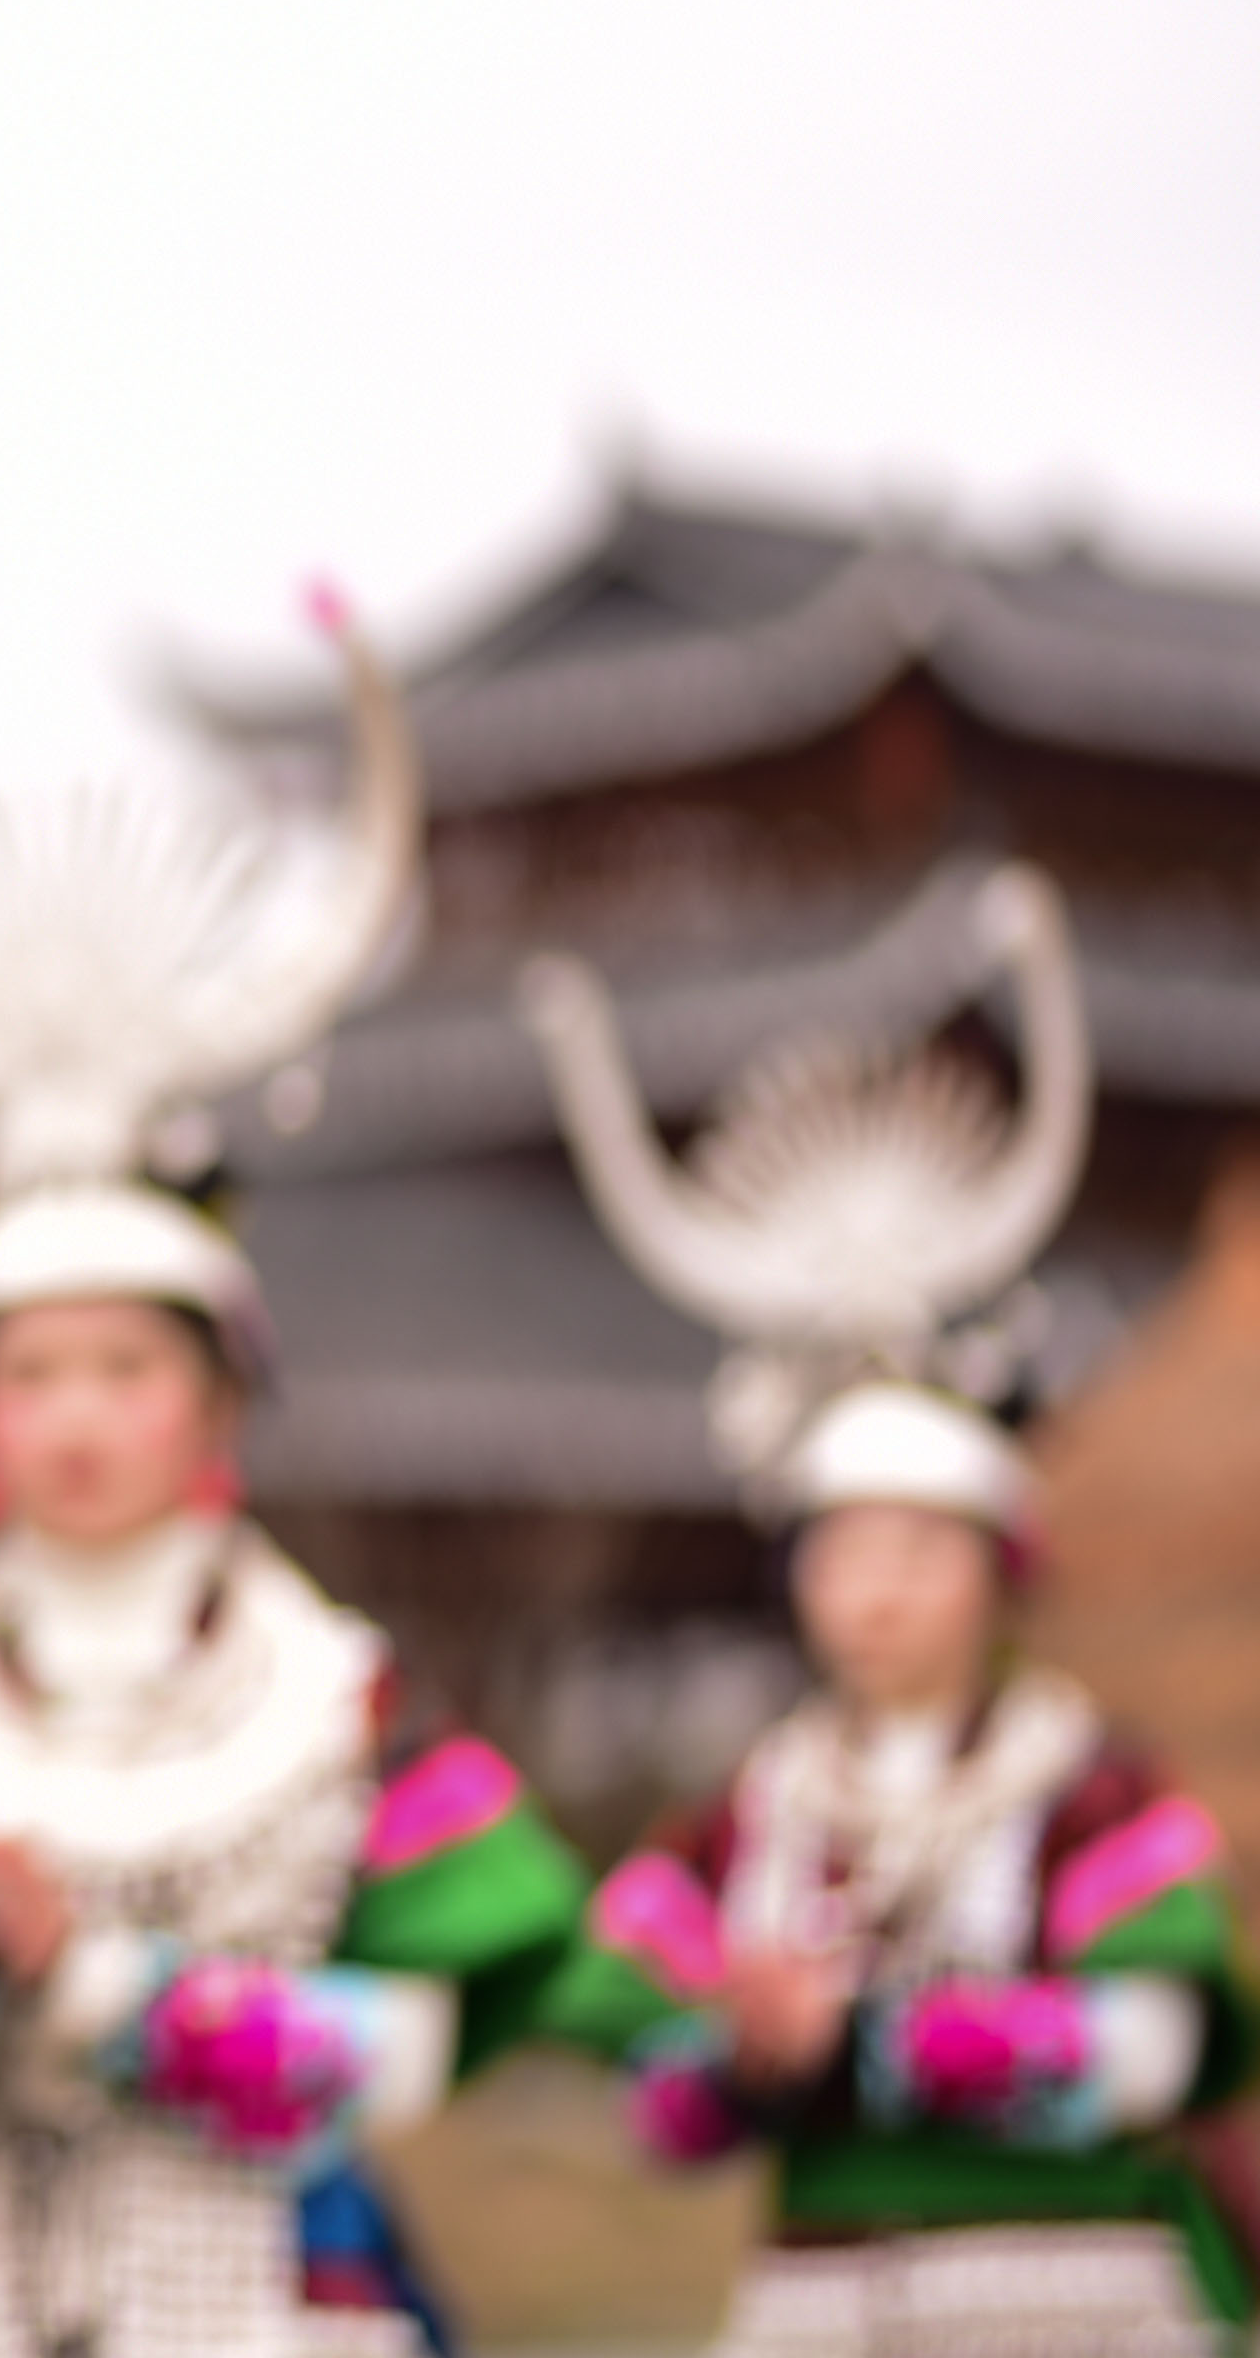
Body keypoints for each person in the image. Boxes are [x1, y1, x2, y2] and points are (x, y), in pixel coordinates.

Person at [0, 615, 587, 2358]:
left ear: (220, 1391)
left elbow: (414, 2055)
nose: (74, 1416)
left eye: (124, 1367)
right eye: (28, 1371)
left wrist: (87, 1975)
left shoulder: (342, 1694)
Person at [524, 865, 1251, 2352]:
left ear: (1003, 1570)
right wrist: (735, 2063)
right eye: (844, 1553)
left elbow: (1147, 2050)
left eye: (924, 1553)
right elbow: (652, 2092)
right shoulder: (756, 1809)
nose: (880, 1595)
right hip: (819, 2296)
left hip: (1070, 2298)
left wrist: (851, 2042)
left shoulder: (1084, 1785)